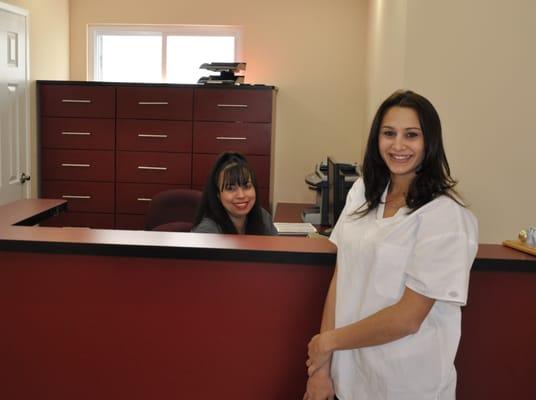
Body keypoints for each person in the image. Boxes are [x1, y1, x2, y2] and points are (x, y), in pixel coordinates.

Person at [303, 90, 478, 400]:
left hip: (407, 385)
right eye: (389, 134)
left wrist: (327, 342)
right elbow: (341, 279)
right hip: (350, 380)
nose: (398, 145)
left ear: (430, 142)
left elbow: (408, 318)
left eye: (411, 135)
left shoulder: (446, 215)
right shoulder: (363, 192)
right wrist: (321, 369)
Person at [191, 151, 278, 235]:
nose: (241, 195)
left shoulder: (262, 217)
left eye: (247, 186)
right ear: (218, 194)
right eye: (230, 189)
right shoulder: (207, 232)